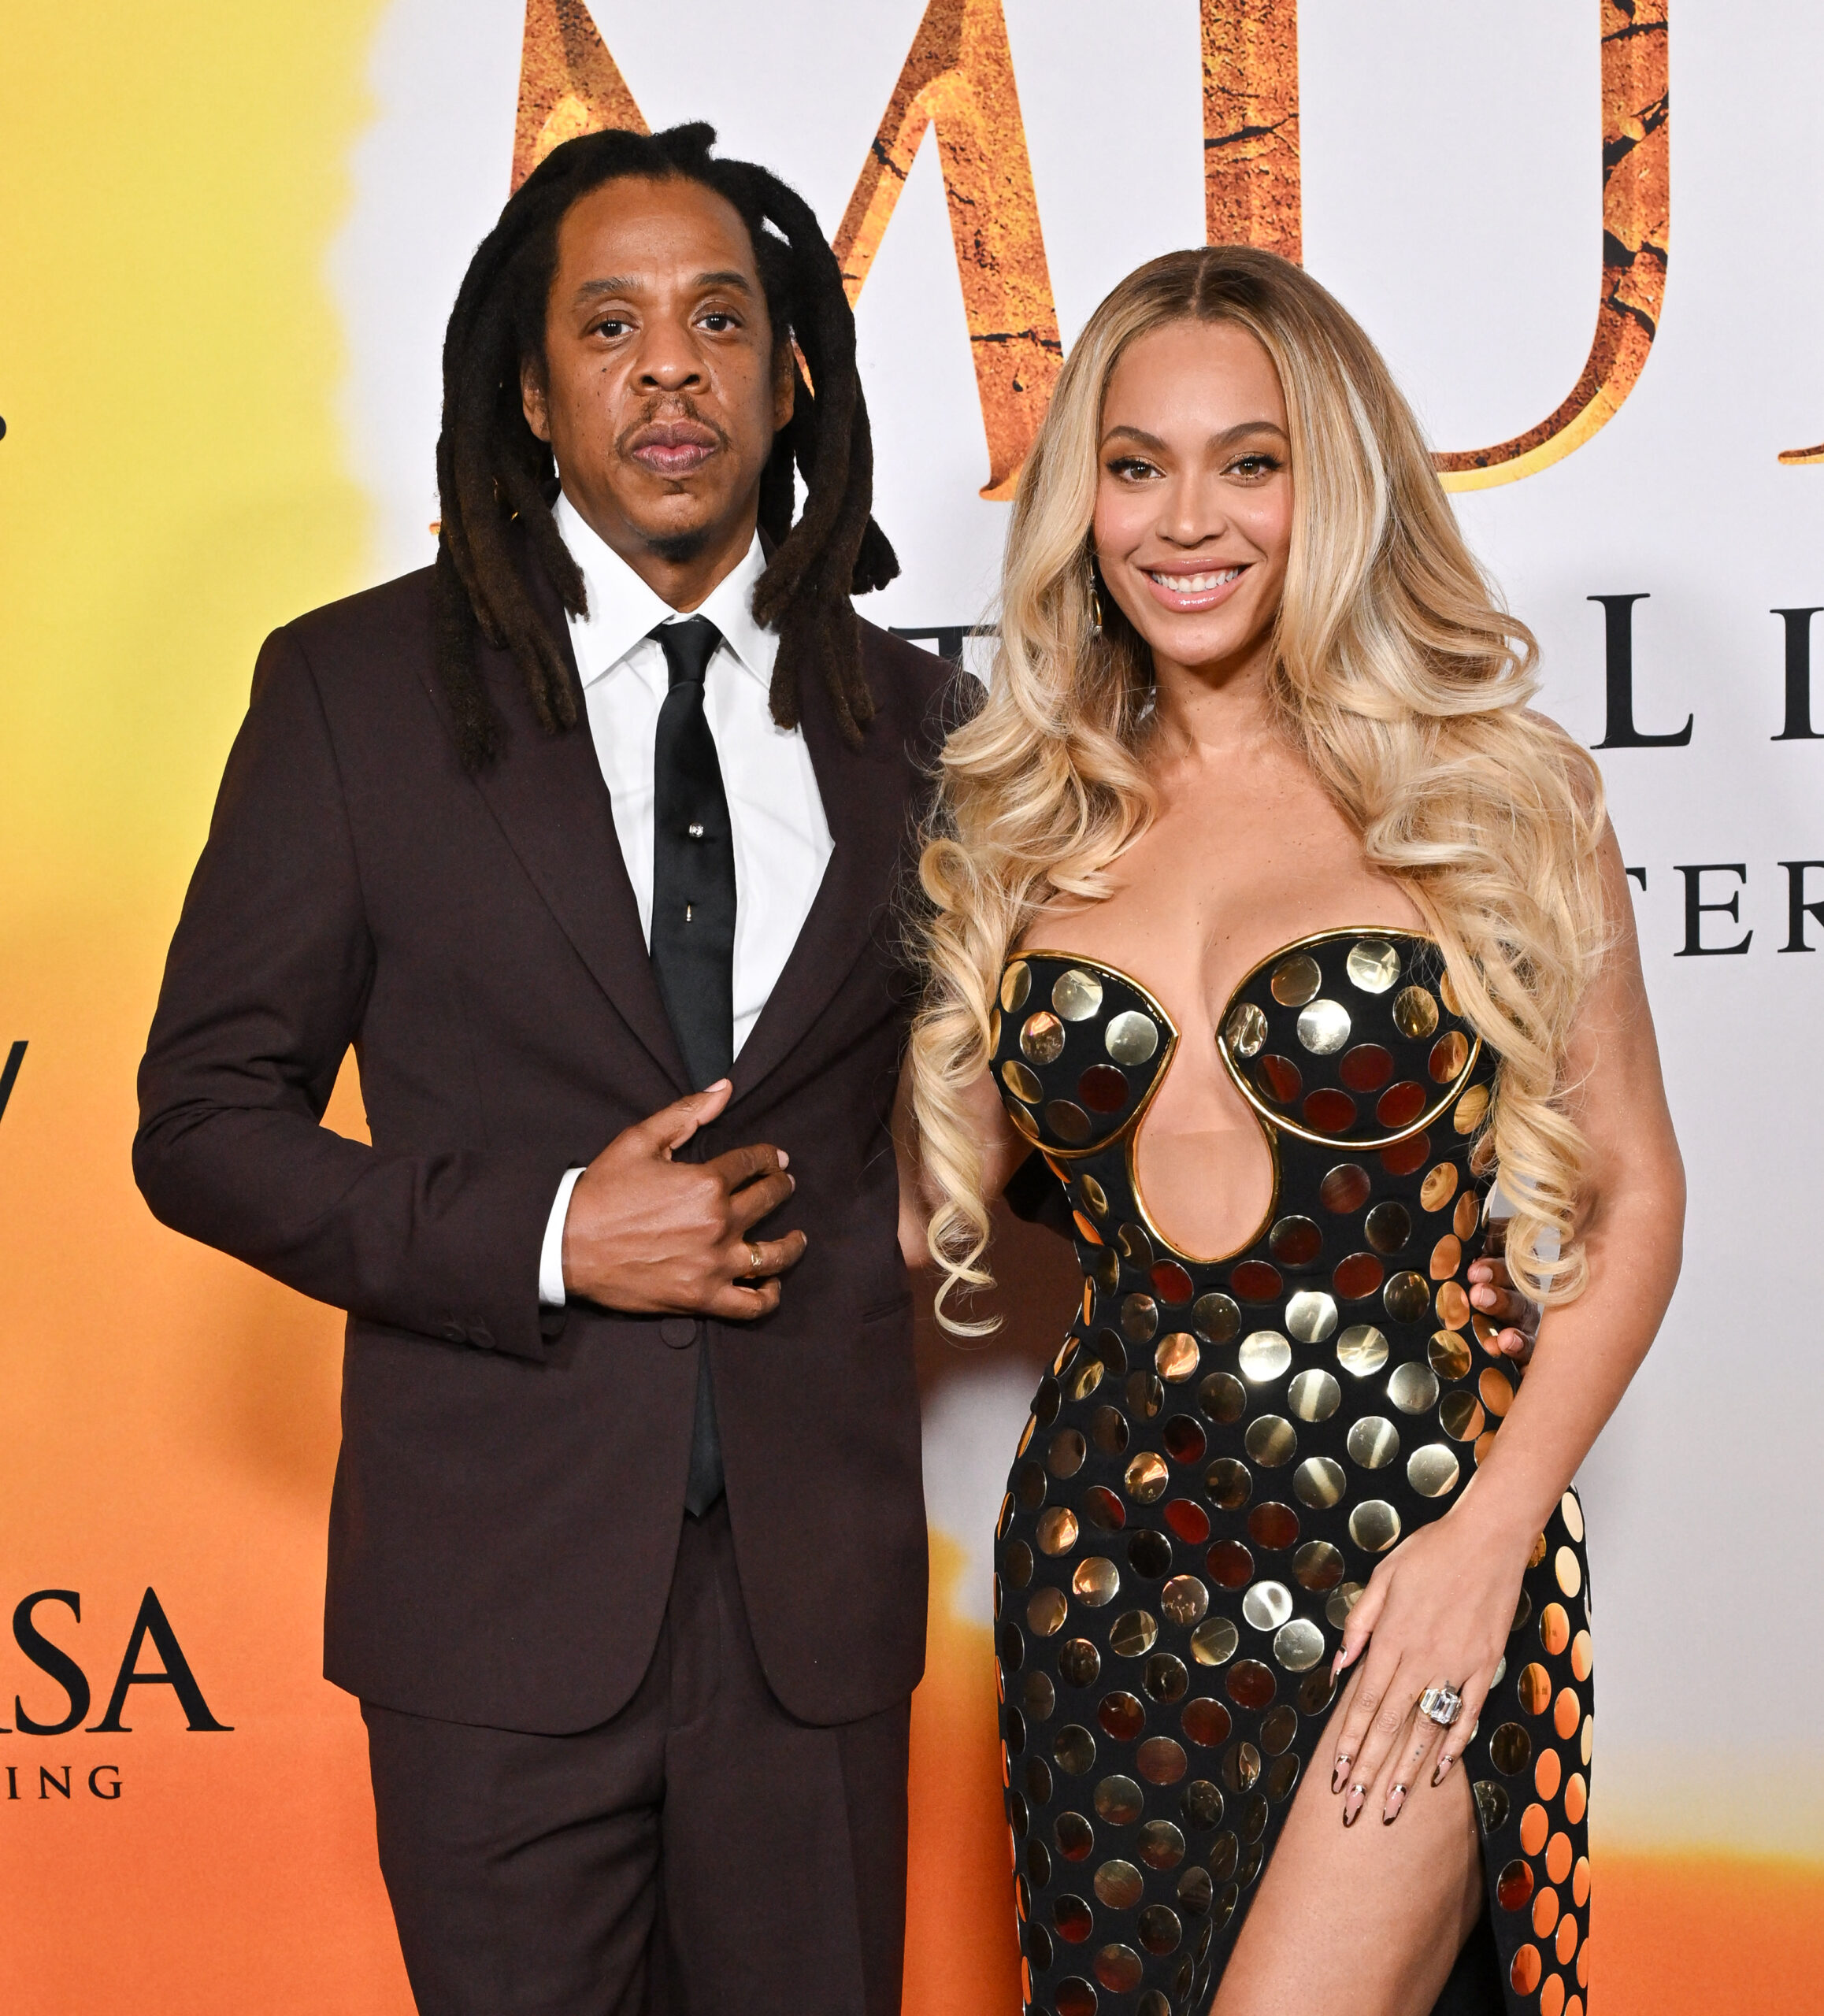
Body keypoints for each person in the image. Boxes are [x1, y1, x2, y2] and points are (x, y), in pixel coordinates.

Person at [134, 124, 954, 2016]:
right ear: (531, 388)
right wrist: (554, 1233)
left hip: (814, 1631)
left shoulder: (924, 723)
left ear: (789, 374)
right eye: (609, 324)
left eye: (719, 320)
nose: (669, 367)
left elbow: (1038, 1109)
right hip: (491, 1617)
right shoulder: (353, 694)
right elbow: (203, 1122)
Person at [903, 248, 1684, 2016]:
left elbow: (1634, 1185)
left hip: (1410, 1542)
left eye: (1249, 462)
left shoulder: (1495, 789)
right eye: (1135, 465)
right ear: (1082, 501)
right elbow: (914, 1201)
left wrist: (1492, 1537)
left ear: (1331, 483)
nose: (1187, 519)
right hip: (1104, 1566)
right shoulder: (1021, 821)